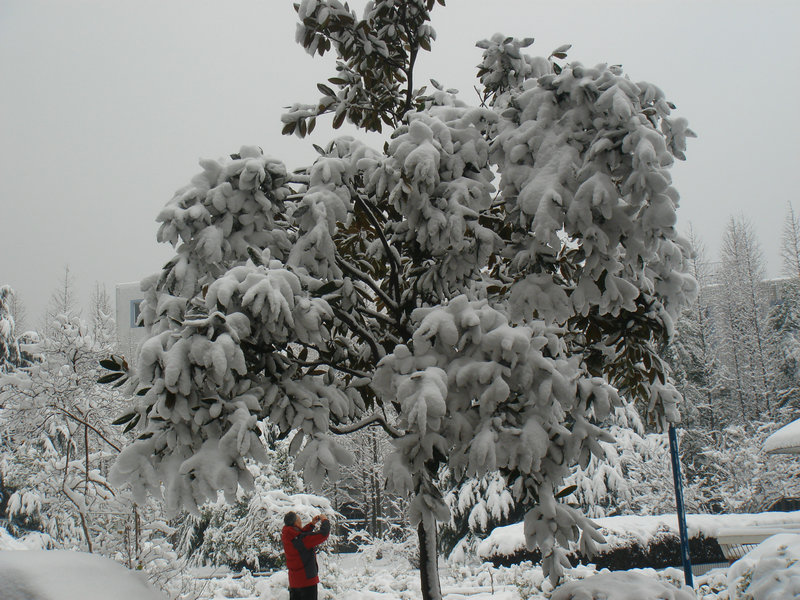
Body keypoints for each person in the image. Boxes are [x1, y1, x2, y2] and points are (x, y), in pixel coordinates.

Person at [281, 511, 331, 600]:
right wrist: (325, 520)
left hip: (294, 582)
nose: (301, 521)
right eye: (299, 519)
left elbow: (300, 535)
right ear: (295, 523)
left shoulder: (288, 536)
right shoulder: (301, 540)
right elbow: (323, 534)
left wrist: (311, 524)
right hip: (307, 582)